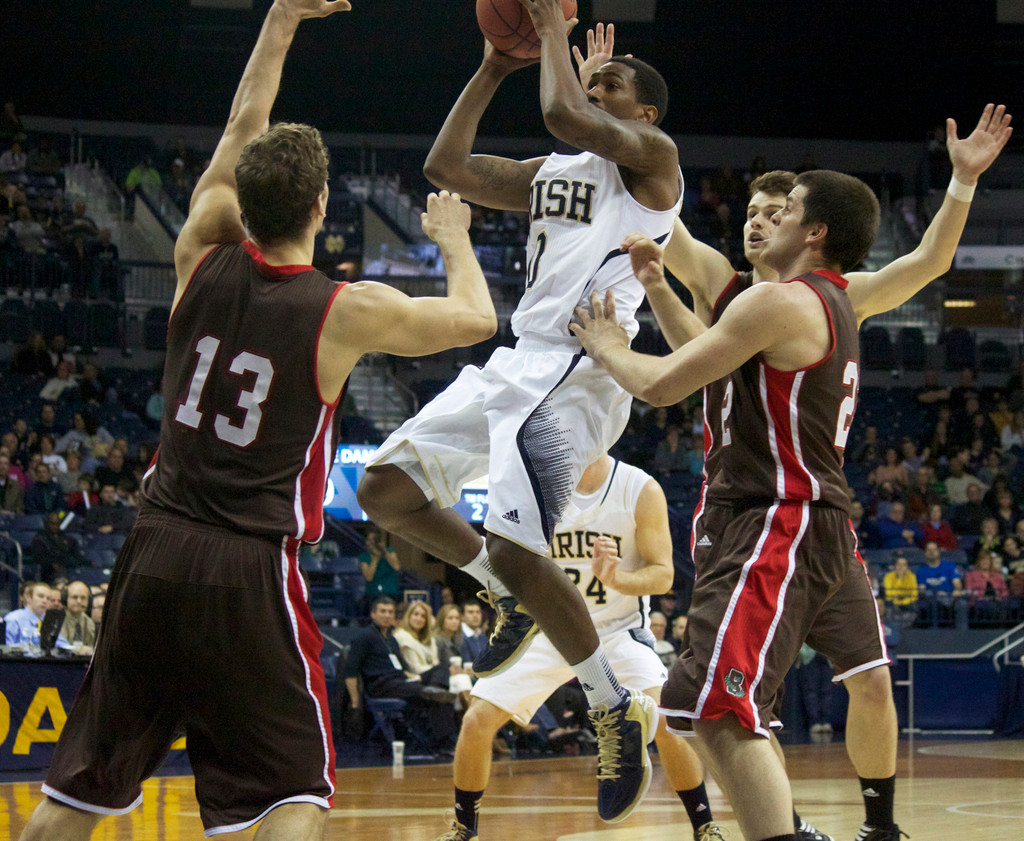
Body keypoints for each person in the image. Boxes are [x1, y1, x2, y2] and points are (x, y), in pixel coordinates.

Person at [16, 3, 499, 839]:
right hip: (246, 564)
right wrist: (452, 235)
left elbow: (245, 120)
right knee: (292, 795)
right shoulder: (343, 310)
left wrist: (280, 19)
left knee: (78, 794)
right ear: (322, 205)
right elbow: (475, 318)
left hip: (152, 549)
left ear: (240, 198)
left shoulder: (197, 248)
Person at [570, 68, 1010, 840]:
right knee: (718, 704)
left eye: (780, 210)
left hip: (781, 515)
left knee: (794, 692)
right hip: (793, 511)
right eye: (753, 211)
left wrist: (610, 343)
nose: (760, 220)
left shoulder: (792, 297)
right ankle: (789, 822)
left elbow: (671, 373)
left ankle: (860, 824)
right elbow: (659, 226)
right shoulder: (748, 289)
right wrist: (600, 120)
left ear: (809, 230)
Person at [357, 3, 682, 822]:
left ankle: (610, 704)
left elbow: (565, 108)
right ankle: (497, 588)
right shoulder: (550, 171)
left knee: (517, 539)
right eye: (593, 75)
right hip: (516, 361)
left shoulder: (653, 165)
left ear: (643, 114)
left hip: (581, 371)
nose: (595, 87)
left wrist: (549, 28)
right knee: (385, 490)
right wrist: (495, 65)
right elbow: (447, 163)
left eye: (614, 83)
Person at [433, 454, 726, 841]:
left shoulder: (639, 488)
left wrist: (617, 577)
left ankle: (705, 825)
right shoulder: (536, 485)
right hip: (549, 629)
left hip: (618, 631)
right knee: (476, 721)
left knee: (669, 722)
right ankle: (463, 830)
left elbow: (663, 575)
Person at [343, 596, 457, 754]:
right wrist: (355, 704)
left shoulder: (391, 639)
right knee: (427, 692)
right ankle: (445, 741)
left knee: (441, 669)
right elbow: (351, 672)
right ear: (373, 614)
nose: (387, 615)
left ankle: (435, 690)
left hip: (401, 681)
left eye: (390, 612)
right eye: (383, 611)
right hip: (381, 685)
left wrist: (418, 678)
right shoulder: (364, 637)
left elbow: (403, 669)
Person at [31, 512, 83, 582]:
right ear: (47, 524)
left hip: (67, 571)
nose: (55, 527)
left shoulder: (69, 540)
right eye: (52, 524)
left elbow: (76, 557)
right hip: (47, 573)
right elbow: (39, 558)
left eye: (57, 524)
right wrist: (52, 564)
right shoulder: (39, 539)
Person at [358, 524, 402, 607]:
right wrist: (375, 558)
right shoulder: (364, 556)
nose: (371, 543)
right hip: (373, 594)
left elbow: (397, 567)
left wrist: (383, 550)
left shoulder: (390, 551)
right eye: (369, 540)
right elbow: (368, 577)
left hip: (390, 591)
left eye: (374, 540)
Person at [58, 580, 97, 656]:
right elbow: (61, 647)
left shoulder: (89, 622)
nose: (79, 601)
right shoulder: (59, 619)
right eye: (74, 597)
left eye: (83, 598)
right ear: (65, 599)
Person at [882, 556, 918, 629]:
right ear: (895, 566)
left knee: (914, 607)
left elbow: (914, 595)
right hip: (893, 603)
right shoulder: (888, 576)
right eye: (899, 564)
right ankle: (892, 627)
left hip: (907, 603)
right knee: (889, 606)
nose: (901, 567)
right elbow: (889, 594)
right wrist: (900, 579)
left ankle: (908, 628)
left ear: (907, 567)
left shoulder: (912, 576)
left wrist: (903, 601)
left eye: (904, 565)